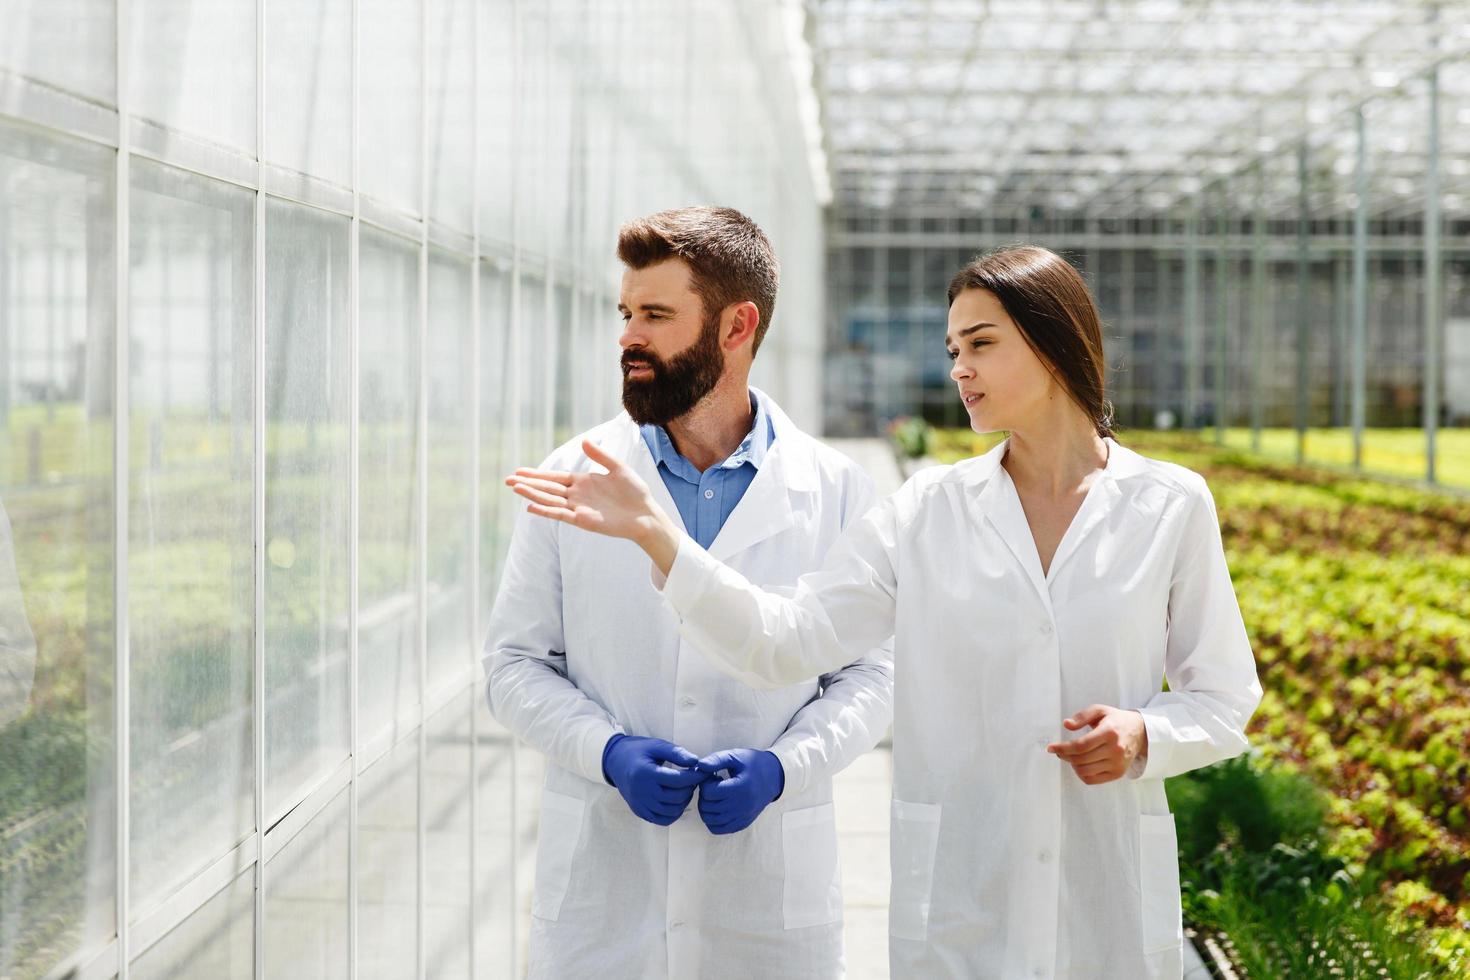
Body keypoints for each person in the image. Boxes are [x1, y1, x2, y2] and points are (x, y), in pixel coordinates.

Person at [506, 244, 1264, 979]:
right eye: (952, 347)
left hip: (1108, 889)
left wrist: (1145, 735)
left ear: (1054, 343)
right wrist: (658, 537)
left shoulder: (1169, 505)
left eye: (981, 343)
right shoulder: (926, 510)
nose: (958, 367)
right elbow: (786, 640)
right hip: (963, 900)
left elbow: (1226, 695)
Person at [485, 206, 894, 980]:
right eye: (627, 312)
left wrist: (786, 768)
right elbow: (512, 664)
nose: (628, 336)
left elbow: (870, 676)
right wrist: (607, 753)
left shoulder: (834, 489)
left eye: (657, 315)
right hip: (607, 897)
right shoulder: (574, 472)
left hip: (769, 901)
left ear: (737, 327)